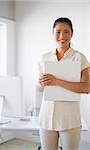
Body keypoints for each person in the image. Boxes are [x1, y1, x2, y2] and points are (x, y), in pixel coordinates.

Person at [38, 17, 90, 150]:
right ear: (53, 33)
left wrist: (56, 81)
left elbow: (86, 88)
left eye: (66, 32)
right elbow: (40, 88)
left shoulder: (80, 58)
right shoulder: (45, 58)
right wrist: (41, 84)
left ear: (72, 33)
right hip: (46, 118)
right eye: (58, 32)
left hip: (69, 120)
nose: (62, 36)